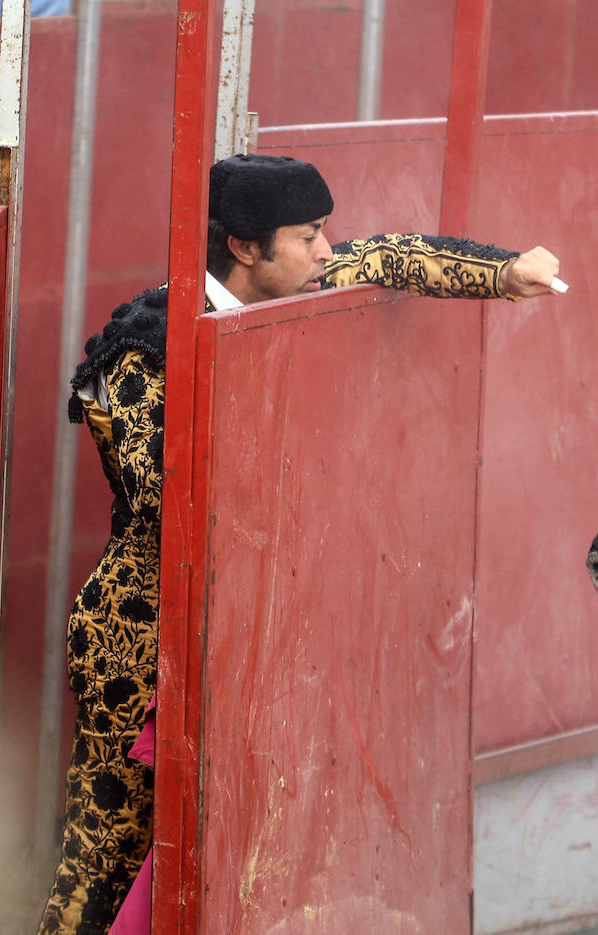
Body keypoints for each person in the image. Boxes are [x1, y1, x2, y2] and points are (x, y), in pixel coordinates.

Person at [37, 153, 563, 935]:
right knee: (104, 862)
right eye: (310, 235)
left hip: (245, 637)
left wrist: (508, 270)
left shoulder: (291, 279)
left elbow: (390, 255)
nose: (328, 252)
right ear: (246, 249)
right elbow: (176, 506)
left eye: (326, 234)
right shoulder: (141, 354)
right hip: (141, 645)